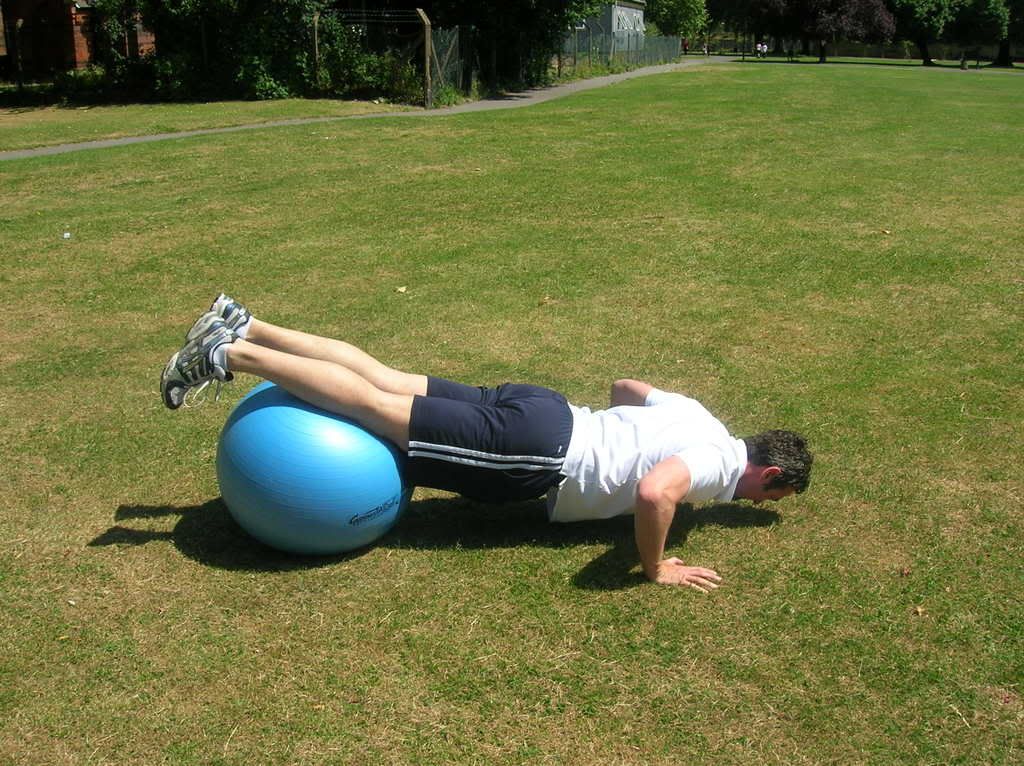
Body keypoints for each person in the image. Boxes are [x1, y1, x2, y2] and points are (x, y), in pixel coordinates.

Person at [162, 294, 813, 592]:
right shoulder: (715, 467)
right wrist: (656, 564)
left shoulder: (702, 418)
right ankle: (230, 354)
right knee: (377, 404)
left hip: (543, 408)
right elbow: (654, 491)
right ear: (773, 476)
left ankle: (245, 320)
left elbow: (626, 386)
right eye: (771, 497)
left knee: (386, 378)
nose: (759, 503)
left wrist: (619, 436)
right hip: (538, 453)